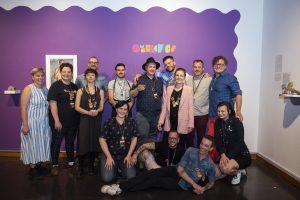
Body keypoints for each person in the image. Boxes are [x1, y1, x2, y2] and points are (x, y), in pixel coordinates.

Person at [101, 136, 216, 196]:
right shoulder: (191, 150)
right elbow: (180, 170)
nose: (202, 147)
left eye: (206, 146)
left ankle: (121, 189)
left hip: (182, 184)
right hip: (175, 171)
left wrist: (203, 189)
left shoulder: (210, 165)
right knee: (150, 173)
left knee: (153, 182)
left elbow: (211, 182)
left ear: (211, 149)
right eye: (201, 143)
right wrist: (195, 184)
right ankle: (119, 186)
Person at [48, 63, 80, 176]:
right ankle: (54, 165)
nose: (66, 74)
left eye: (69, 72)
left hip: (73, 122)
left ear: (71, 73)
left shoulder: (75, 87)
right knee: (56, 143)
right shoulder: (55, 86)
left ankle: (71, 163)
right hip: (59, 122)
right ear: (61, 73)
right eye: (64, 71)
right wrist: (56, 120)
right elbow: (53, 104)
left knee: (70, 142)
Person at [20, 68, 51, 176]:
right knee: (32, 145)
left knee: (41, 144)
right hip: (32, 123)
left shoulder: (46, 90)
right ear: (32, 77)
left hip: (44, 123)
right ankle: (32, 168)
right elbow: (23, 108)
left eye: (42, 75)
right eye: (37, 75)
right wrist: (25, 125)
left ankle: (39, 165)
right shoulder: (28, 89)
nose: (40, 78)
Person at [99, 101, 139, 182]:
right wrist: (109, 157)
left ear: (127, 111)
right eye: (120, 108)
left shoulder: (131, 122)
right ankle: (116, 168)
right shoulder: (109, 122)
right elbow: (102, 139)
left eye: (125, 109)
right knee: (107, 178)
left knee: (131, 177)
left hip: (125, 155)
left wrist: (129, 155)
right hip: (111, 154)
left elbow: (134, 138)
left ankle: (120, 168)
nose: (122, 111)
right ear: (116, 109)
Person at [75, 68, 104, 177]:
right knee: (83, 142)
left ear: (95, 77)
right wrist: (88, 112)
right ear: (85, 77)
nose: (90, 77)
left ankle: (91, 166)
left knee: (94, 142)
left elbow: (101, 107)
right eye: (88, 75)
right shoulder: (80, 91)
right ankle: (81, 167)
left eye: (93, 75)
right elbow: (77, 107)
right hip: (84, 119)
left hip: (96, 119)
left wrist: (97, 111)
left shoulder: (100, 91)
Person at [214, 101, 251, 185]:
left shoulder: (237, 122)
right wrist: (223, 154)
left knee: (225, 169)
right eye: (218, 111)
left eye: (223, 111)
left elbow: (240, 142)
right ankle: (237, 170)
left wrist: (228, 156)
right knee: (221, 168)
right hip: (226, 154)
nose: (220, 113)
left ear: (229, 111)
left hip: (241, 154)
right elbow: (217, 140)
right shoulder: (217, 123)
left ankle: (238, 172)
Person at [157, 68, 194, 149]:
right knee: (167, 144)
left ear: (184, 77)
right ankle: (168, 160)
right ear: (174, 77)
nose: (179, 77)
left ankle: (179, 161)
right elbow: (164, 107)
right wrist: (161, 121)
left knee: (181, 145)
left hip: (182, 122)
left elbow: (191, 108)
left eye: (181, 75)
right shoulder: (169, 88)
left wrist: (191, 123)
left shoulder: (189, 90)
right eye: (177, 75)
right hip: (170, 121)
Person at [130, 57, 163, 143]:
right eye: (150, 66)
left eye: (154, 67)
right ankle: (140, 156)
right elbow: (131, 94)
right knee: (142, 138)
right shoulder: (139, 79)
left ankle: (151, 156)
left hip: (156, 115)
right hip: (143, 115)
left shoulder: (159, 81)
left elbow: (160, 97)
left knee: (153, 138)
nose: (152, 68)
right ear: (146, 68)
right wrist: (137, 89)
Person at [208, 56, 243, 137]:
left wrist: (238, 110)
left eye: (221, 64)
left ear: (225, 66)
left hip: (224, 118)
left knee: (225, 142)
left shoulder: (230, 78)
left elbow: (238, 94)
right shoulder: (214, 78)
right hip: (213, 116)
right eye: (216, 64)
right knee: (213, 141)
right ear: (213, 66)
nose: (218, 66)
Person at [186, 59, 212, 147]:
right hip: (189, 114)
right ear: (192, 68)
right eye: (195, 67)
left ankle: (200, 156)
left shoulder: (209, 79)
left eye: (199, 67)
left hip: (202, 114)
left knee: (201, 137)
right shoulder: (187, 80)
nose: (197, 69)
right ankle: (190, 155)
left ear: (203, 68)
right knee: (189, 137)